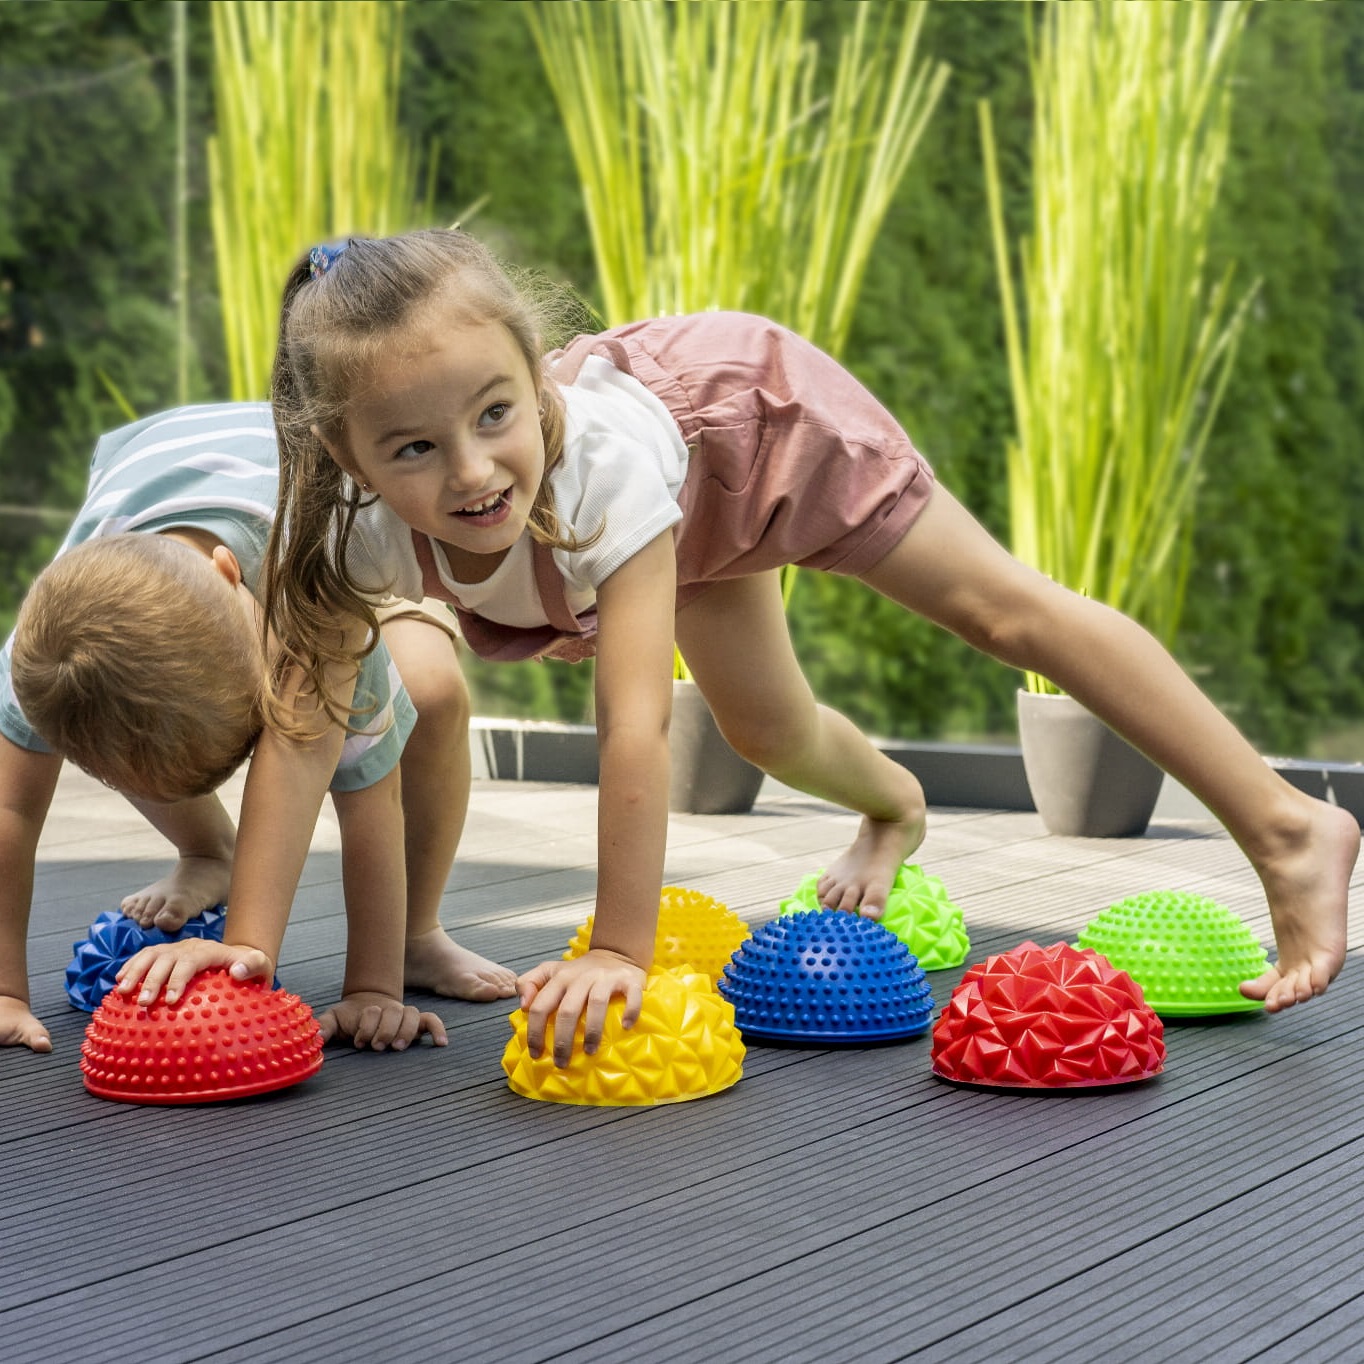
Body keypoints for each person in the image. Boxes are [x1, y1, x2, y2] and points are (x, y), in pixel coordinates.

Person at [124, 229, 1359, 1069]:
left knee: (999, 612)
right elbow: (303, 729)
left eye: (496, 412)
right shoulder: (347, 533)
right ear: (343, 455)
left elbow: (633, 725)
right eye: (413, 449)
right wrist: (252, 941)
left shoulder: (595, 467)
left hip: (754, 426)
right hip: (673, 503)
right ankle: (893, 805)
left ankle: (1286, 827)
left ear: (533, 379)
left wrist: (619, 946)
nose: (473, 470)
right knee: (766, 728)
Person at [0, 401, 515, 1054]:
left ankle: (416, 933)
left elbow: (371, 801)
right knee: (132, 730)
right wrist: (5, 991)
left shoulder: (321, 601)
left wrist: (373, 987)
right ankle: (209, 853)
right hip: (166, 486)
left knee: (432, 695)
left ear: (229, 573)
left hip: (358, 517)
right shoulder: (53, 652)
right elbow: (10, 810)